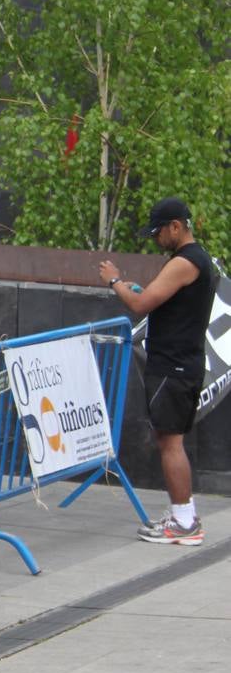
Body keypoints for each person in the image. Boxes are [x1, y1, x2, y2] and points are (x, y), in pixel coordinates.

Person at [100, 197, 216, 546]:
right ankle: (184, 514)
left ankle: (184, 522)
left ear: (176, 227)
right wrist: (140, 289)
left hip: (174, 364)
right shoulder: (198, 260)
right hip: (182, 362)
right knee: (170, 440)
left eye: (158, 232)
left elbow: (140, 304)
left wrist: (115, 281)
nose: (156, 239)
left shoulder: (185, 261)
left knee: (170, 442)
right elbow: (158, 297)